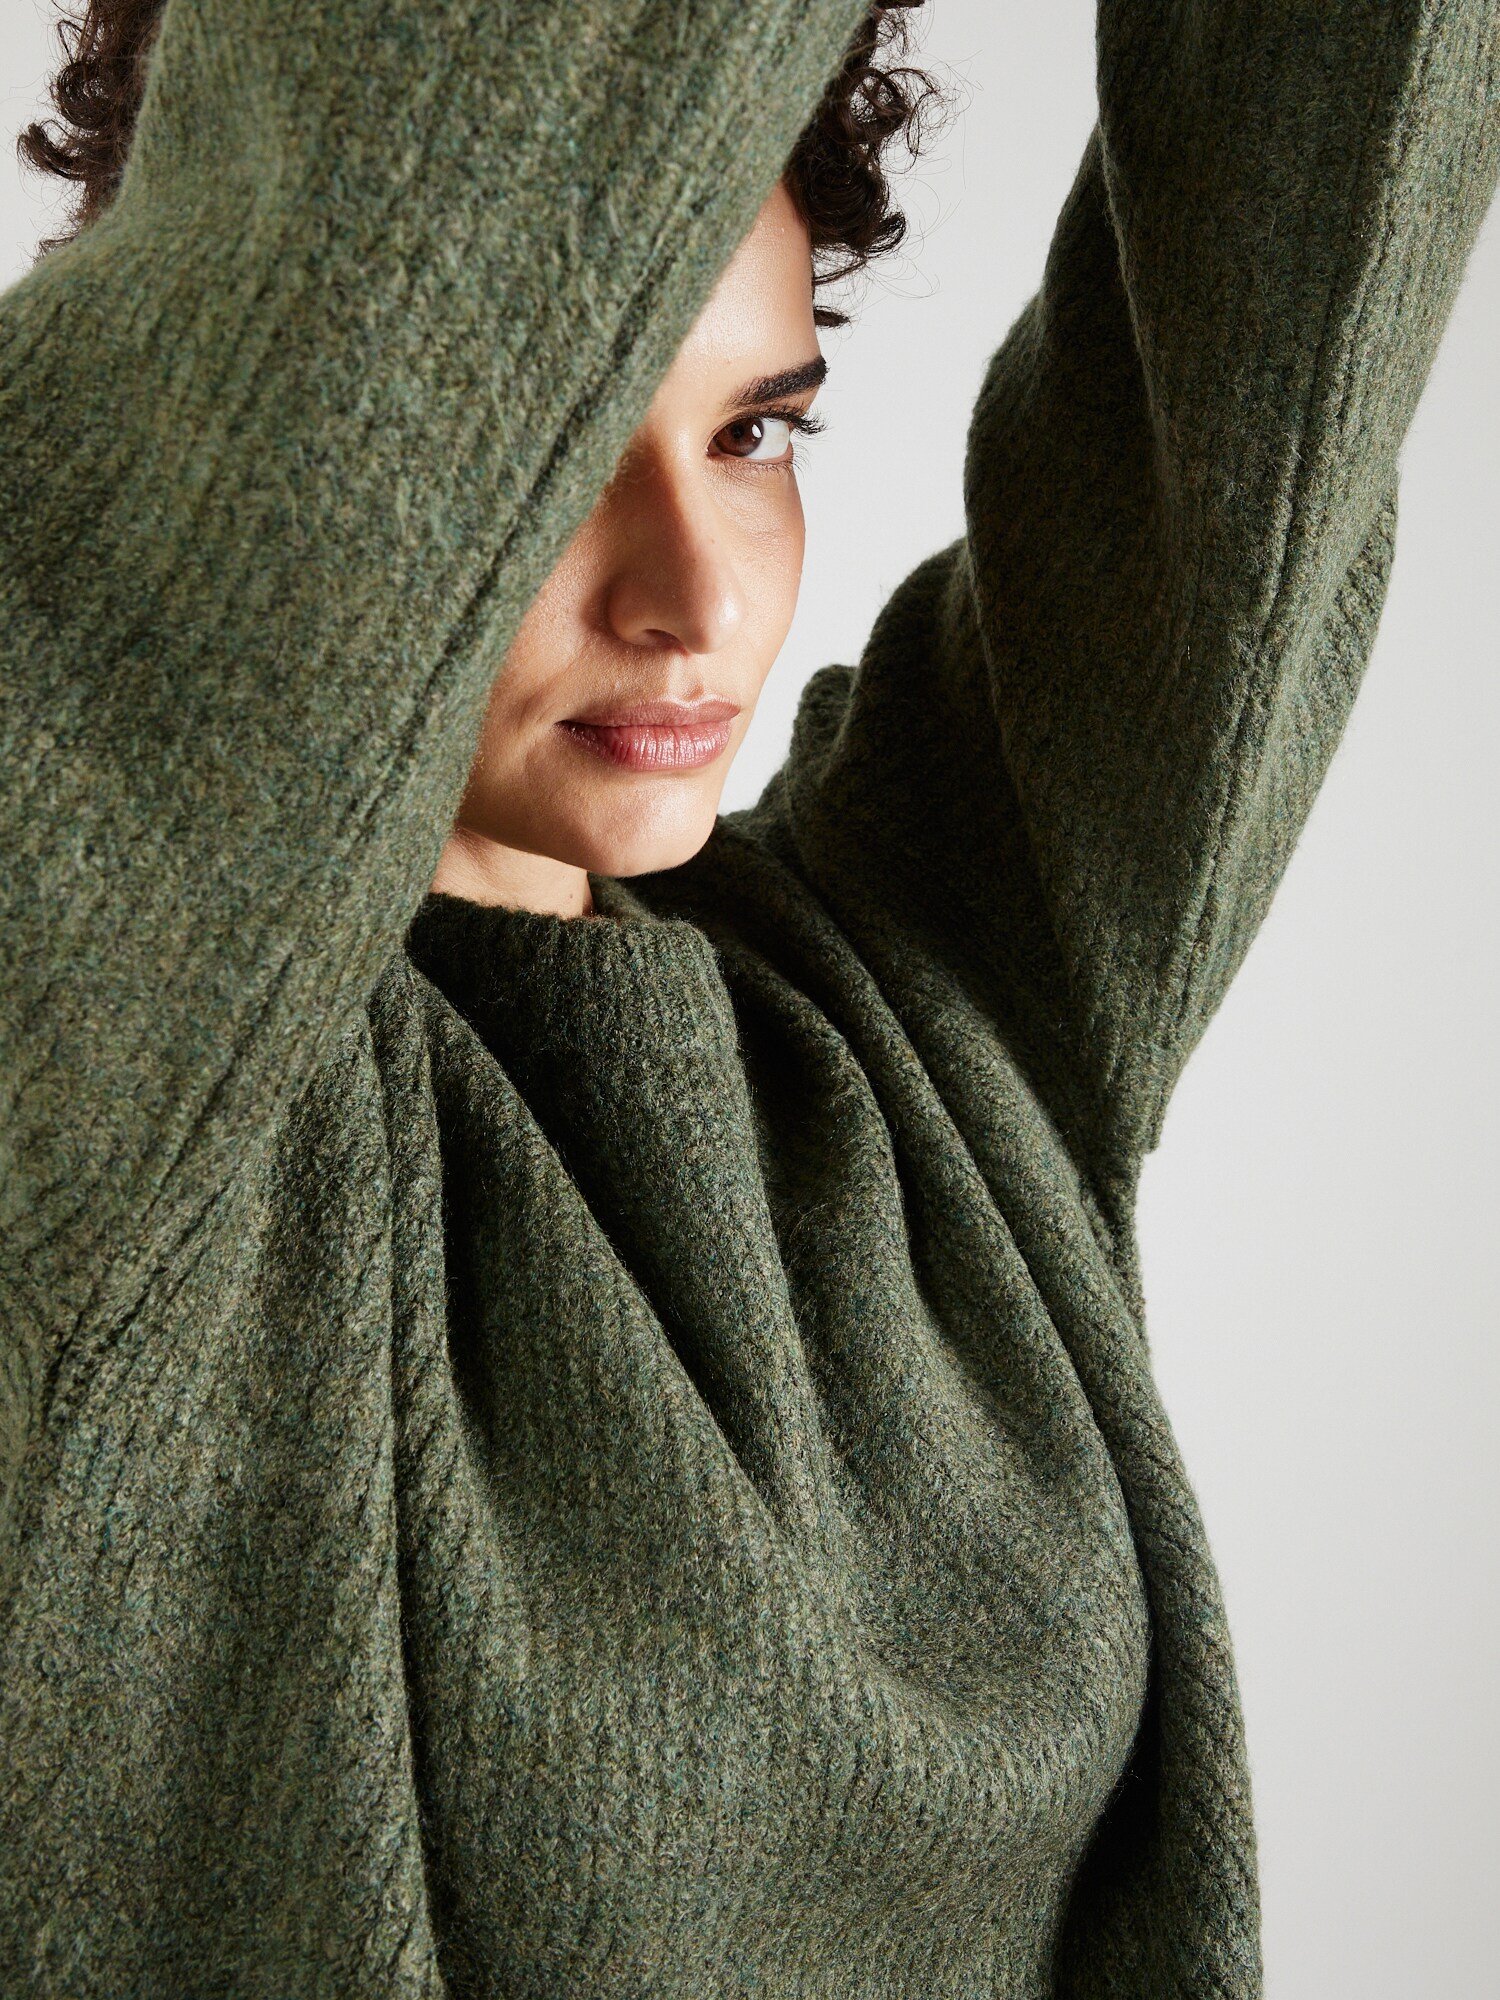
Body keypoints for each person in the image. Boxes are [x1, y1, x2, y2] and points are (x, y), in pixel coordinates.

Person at [0, 0, 1493, 1993]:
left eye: (751, 433)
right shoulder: (106, 1065)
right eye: (545, 463)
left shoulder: (940, 985)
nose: (692, 600)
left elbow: (1282, 303)